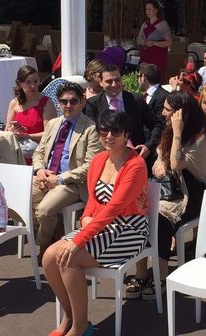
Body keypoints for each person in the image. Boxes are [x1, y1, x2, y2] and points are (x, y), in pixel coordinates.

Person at [43, 111, 149, 336]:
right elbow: (92, 198)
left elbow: (115, 208)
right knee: (49, 256)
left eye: (115, 131)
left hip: (130, 227)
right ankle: (69, 317)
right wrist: (85, 217)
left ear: (126, 134)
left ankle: (80, 327)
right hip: (101, 224)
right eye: (103, 131)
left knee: (67, 258)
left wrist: (80, 237)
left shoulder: (136, 165)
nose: (108, 136)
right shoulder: (99, 159)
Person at [129, 91, 206, 301]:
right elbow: (160, 160)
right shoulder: (167, 132)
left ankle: (161, 276)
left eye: (168, 110)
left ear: (180, 115)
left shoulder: (198, 139)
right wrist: (158, 166)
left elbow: (175, 163)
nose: (163, 113)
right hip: (165, 191)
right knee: (138, 211)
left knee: (159, 219)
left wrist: (177, 132)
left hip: (188, 195)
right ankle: (141, 272)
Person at [31, 82, 102, 256]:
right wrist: (40, 171)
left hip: (72, 182)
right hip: (45, 177)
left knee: (44, 210)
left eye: (73, 101)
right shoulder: (53, 124)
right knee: (16, 202)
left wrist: (59, 179)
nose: (68, 105)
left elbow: (91, 166)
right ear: (59, 103)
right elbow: (38, 153)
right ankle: (54, 229)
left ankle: (44, 243)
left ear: (82, 102)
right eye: (64, 101)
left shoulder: (91, 129)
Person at [86, 64, 163, 162]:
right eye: (109, 81)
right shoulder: (93, 104)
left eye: (117, 80)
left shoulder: (136, 100)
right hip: (107, 159)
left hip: (137, 157)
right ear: (100, 82)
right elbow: (93, 133)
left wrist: (148, 146)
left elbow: (157, 125)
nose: (114, 84)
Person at [5, 65, 57, 164]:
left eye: (35, 81)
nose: (33, 86)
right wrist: (12, 131)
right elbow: (6, 130)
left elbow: (49, 134)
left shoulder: (46, 103)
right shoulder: (14, 103)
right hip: (17, 152)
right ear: (20, 84)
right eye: (28, 82)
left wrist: (27, 136)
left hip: (38, 153)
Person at [137, 0, 172, 81]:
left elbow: (169, 42)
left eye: (150, 9)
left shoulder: (163, 24)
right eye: (146, 9)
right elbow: (138, 40)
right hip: (145, 56)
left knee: (156, 78)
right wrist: (144, 42)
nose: (147, 11)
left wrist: (154, 43)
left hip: (157, 57)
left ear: (156, 10)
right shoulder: (145, 24)